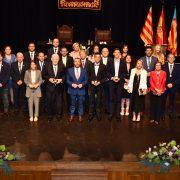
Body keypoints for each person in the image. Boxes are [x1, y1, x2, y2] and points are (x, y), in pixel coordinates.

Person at [43, 54, 65, 121]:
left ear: (58, 59)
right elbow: (43, 75)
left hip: (59, 87)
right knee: (49, 102)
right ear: (51, 59)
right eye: (54, 58)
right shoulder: (47, 65)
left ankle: (58, 116)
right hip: (49, 87)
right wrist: (49, 79)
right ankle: (49, 116)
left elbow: (64, 75)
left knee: (59, 103)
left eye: (57, 59)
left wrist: (61, 80)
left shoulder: (62, 65)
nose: (55, 60)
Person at [107, 48, 126, 121]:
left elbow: (124, 72)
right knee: (111, 99)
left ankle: (117, 114)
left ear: (120, 54)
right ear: (113, 54)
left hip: (120, 82)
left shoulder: (123, 62)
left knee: (118, 99)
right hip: (112, 82)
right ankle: (111, 114)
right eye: (116, 52)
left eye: (118, 52)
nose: (117, 54)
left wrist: (120, 78)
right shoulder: (110, 61)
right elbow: (107, 72)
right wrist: (112, 77)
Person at [66, 58, 88, 122]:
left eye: (78, 61)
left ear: (80, 63)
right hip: (72, 90)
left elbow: (86, 80)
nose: (77, 63)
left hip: (81, 90)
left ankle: (80, 116)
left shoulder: (84, 70)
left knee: (81, 104)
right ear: (73, 62)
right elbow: (67, 80)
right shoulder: (69, 70)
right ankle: (71, 115)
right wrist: (72, 84)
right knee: (72, 104)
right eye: (76, 61)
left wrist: (82, 84)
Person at [88, 53, 106, 121]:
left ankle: (98, 114)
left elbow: (105, 77)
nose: (97, 58)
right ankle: (91, 115)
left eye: (99, 57)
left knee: (98, 101)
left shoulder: (103, 66)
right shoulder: (90, 65)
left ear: (100, 58)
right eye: (96, 57)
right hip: (92, 86)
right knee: (91, 101)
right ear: (94, 58)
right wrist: (91, 81)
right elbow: (87, 75)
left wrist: (100, 82)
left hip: (100, 86)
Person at [162, 54, 179, 119]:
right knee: (163, 101)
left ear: (174, 59)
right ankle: (162, 115)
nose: (171, 59)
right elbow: (162, 77)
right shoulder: (163, 66)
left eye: (172, 57)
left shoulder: (178, 67)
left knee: (172, 101)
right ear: (167, 58)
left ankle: (171, 114)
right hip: (165, 87)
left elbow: (179, 78)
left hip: (173, 87)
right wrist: (167, 84)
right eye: (169, 57)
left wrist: (173, 84)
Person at [101, 47, 112, 113]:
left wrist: (109, 78)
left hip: (108, 80)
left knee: (107, 95)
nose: (105, 52)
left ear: (108, 52)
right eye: (103, 51)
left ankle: (107, 108)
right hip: (99, 81)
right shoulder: (98, 59)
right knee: (98, 96)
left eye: (106, 51)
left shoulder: (111, 60)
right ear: (101, 53)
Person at [0, 51, 11, 116]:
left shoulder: (6, 64)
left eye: (0, 56)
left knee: (5, 98)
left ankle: (6, 111)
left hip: (4, 85)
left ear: (2, 57)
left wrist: (2, 83)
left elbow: (8, 75)